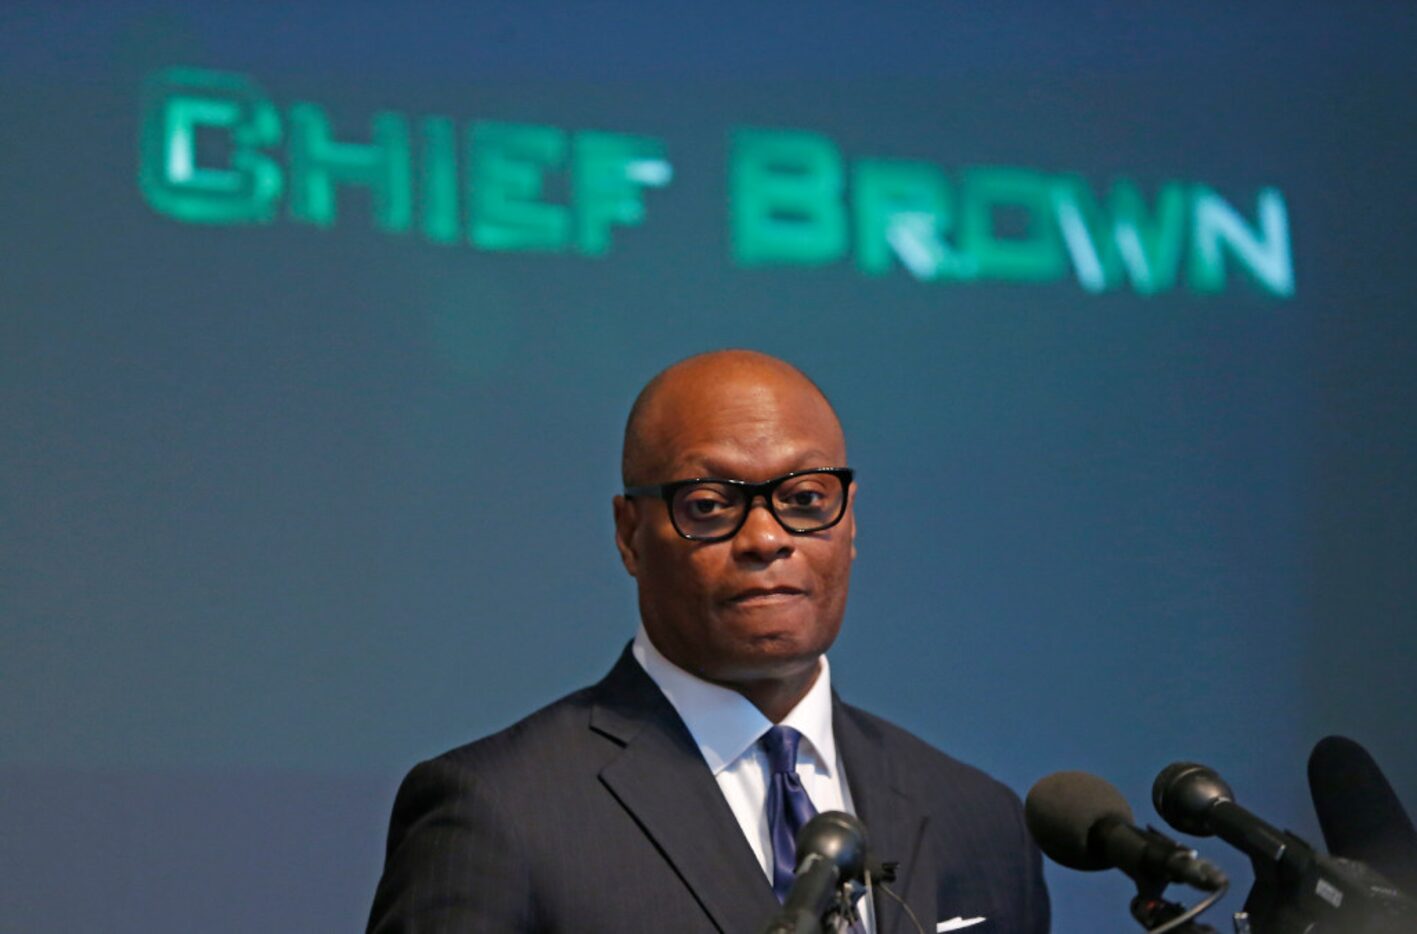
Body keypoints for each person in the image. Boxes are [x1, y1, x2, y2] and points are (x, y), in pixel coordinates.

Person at [367, 350, 1049, 933]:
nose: (765, 538)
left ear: (850, 523)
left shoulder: (977, 821)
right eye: (710, 505)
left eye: (806, 500)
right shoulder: (498, 812)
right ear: (629, 533)